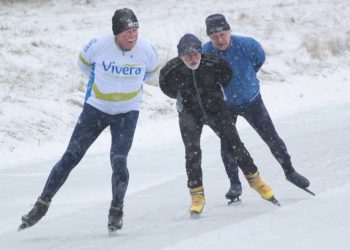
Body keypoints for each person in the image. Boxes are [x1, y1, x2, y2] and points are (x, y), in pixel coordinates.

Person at [18, 8, 159, 233]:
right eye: (126, 32)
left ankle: (116, 209)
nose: (132, 36)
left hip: (127, 113)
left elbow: (150, 72)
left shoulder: (147, 50)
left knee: (119, 161)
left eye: (135, 30)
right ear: (116, 34)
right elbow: (83, 64)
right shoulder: (98, 45)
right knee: (70, 157)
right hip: (96, 109)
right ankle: (41, 204)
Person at [159, 33, 280, 215]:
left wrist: (215, 98)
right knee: (192, 152)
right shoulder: (171, 70)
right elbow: (166, 88)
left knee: (235, 144)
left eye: (195, 54)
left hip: (215, 109)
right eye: (187, 55)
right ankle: (197, 195)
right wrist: (184, 100)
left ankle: (256, 181)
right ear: (180, 56)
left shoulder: (213, 63)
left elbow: (226, 77)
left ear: (200, 52)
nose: (192, 59)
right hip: (189, 113)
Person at [202, 14, 311, 202]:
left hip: (251, 100)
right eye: (214, 37)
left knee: (272, 138)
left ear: (229, 32)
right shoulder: (205, 53)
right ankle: (235, 184)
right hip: (224, 106)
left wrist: (246, 82)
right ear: (209, 37)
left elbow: (258, 61)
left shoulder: (248, 45)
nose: (219, 40)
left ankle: (290, 171)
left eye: (223, 34)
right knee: (228, 145)